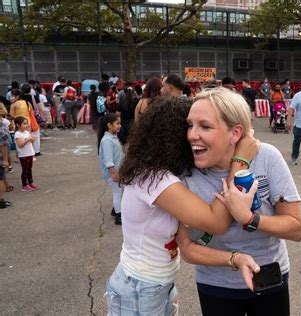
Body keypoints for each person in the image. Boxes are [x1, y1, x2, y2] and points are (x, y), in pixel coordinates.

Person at [105, 96, 258, 315]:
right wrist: (240, 160)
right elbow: (217, 222)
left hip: (154, 283)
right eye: (189, 126)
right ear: (175, 136)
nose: (193, 134)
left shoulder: (155, 172)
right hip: (140, 288)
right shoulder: (155, 180)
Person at [176, 88, 301, 316]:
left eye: (204, 126)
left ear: (235, 133)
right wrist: (234, 259)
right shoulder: (184, 174)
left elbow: (296, 229)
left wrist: (251, 219)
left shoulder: (266, 157)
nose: (191, 135)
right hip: (215, 285)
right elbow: (187, 249)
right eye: (190, 125)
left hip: (269, 278)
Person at [97, 113, 124, 225]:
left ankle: (115, 210)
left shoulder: (112, 137)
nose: (120, 126)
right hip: (112, 173)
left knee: (120, 191)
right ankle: (119, 216)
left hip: (117, 171)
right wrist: (113, 173)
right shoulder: (107, 140)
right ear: (109, 125)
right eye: (117, 123)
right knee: (117, 193)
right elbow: (108, 160)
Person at [14, 116, 38, 192]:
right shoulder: (17, 134)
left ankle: (30, 182)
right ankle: (24, 185)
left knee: (29, 169)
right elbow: (20, 145)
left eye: (27, 123)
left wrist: (32, 139)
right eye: (24, 124)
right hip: (23, 155)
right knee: (25, 170)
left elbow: (30, 142)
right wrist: (28, 139)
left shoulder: (27, 132)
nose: (27, 125)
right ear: (18, 125)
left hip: (29, 153)